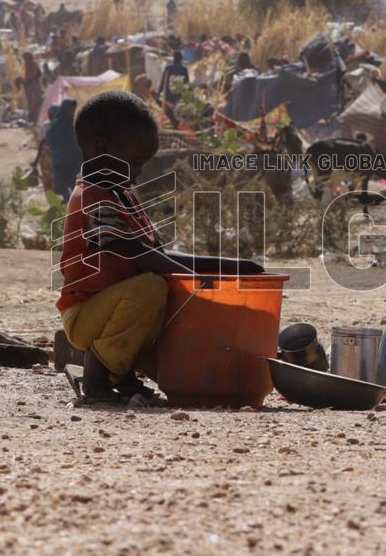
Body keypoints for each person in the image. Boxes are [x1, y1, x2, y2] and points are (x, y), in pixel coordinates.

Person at [55, 90, 262, 403]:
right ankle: (96, 379)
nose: (139, 173)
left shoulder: (123, 197)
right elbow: (134, 252)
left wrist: (229, 266)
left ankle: (122, 376)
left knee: (185, 363)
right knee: (154, 286)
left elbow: (157, 255)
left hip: (118, 313)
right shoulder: (92, 198)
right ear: (101, 147)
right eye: (135, 162)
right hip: (86, 315)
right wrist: (195, 281)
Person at [43, 99, 82, 200]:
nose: (72, 112)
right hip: (61, 164)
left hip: (75, 163)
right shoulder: (56, 127)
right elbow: (50, 141)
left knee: (76, 189)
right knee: (63, 190)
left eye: (73, 109)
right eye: (70, 110)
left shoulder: (76, 124)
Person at [22, 52, 44, 121]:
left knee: (35, 102)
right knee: (30, 102)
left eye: (25, 58)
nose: (24, 60)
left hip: (34, 85)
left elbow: (37, 74)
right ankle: (32, 117)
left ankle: (35, 117)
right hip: (29, 85)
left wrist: (29, 80)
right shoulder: (27, 64)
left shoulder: (33, 64)